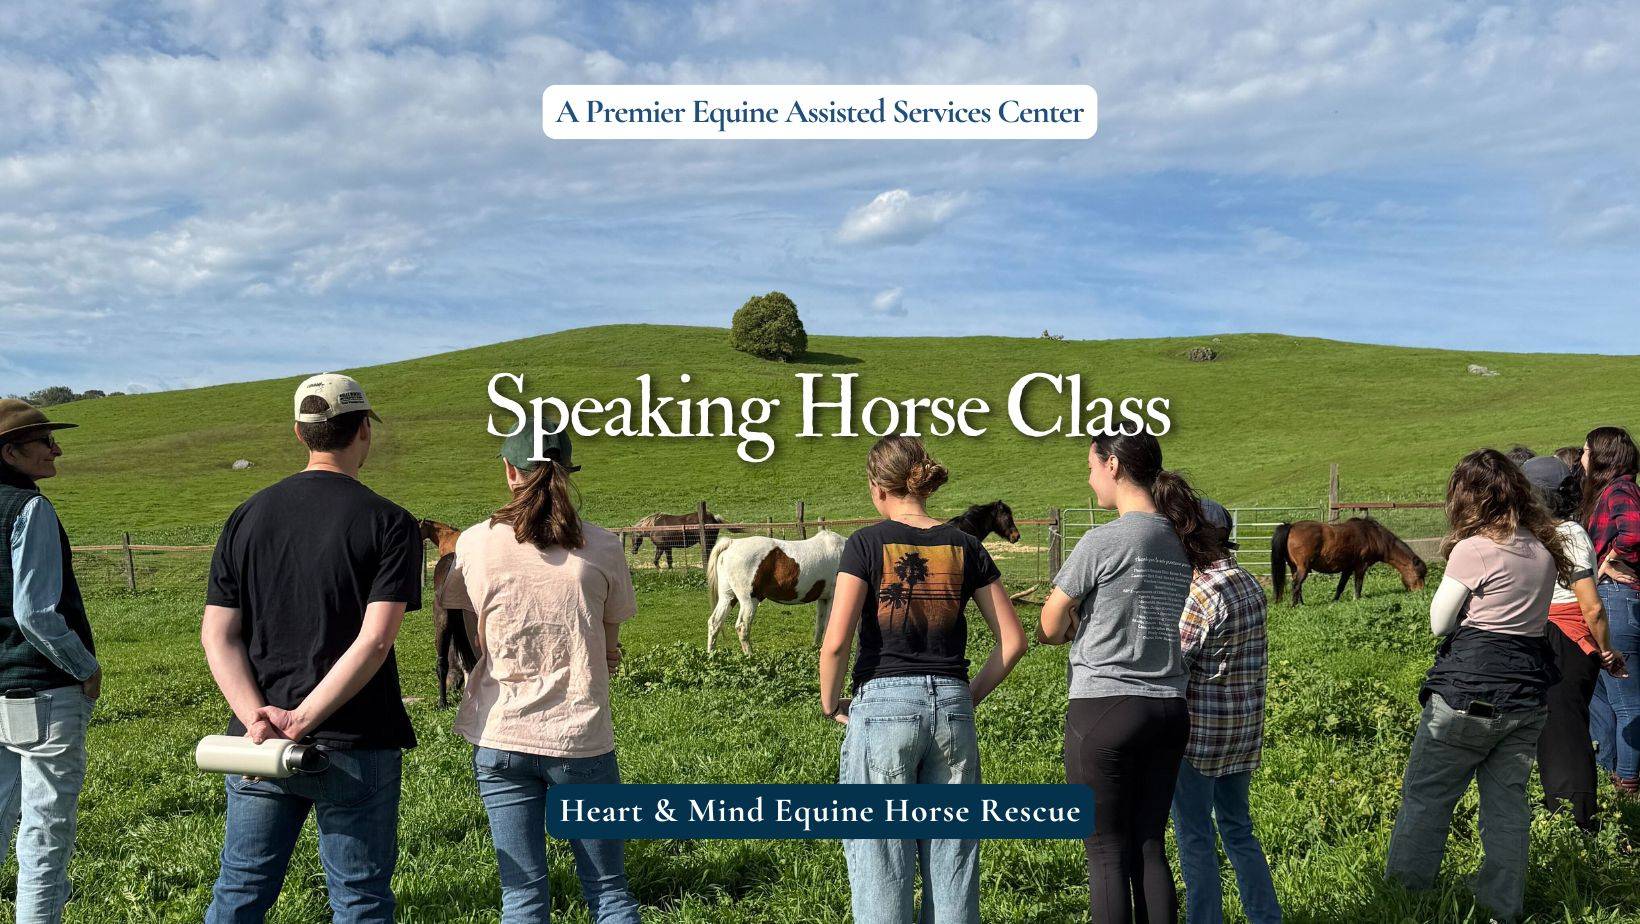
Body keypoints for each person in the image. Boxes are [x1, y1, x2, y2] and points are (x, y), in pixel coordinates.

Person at [201, 374, 422, 923]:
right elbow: (375, 640)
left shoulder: (247, 515)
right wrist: (300, 720)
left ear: (300, 433)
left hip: (257, 744)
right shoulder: (390, 522)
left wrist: (258, 720)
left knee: (241, 887)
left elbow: (218, 634)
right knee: (360, 897)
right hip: (356, 737)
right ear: (364, 429)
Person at [818, 435, 1027, 924]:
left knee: (881, 857)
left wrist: (830, 702)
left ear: (878, 487)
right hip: (952, 708)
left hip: (883, 706)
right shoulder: (966, 545)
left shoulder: (866, 543)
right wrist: (967, 696)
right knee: (953, 858)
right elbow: (1013, 641)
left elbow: (835, 642)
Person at [439, 426, 642, 923]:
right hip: (580, 738)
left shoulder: (473, 543)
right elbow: (609, 647)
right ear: (566, 472)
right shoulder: (603, 546)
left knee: (522, 896)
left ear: (510, 471)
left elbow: (477, 628)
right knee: (609, 892)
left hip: (501, 733)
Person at [1038, 432, 1220, 924]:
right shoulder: (1179, 540)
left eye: (1091, 466)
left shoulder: (1103, 540)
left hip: (1104, 707)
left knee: (1105, 851)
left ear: (1113, 466)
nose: (1089, 477)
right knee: (1149, 845)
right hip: (1168, 708)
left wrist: (1073, 625)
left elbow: (1049, 624)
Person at [1386, 448, 1570, 924]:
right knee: (1507, 806)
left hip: (1469, 692)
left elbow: (1438, 622)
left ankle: (1406, 895)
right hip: (1527, 695)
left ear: (1466, 497)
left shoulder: (1475, 548)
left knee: (1428, 796)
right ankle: (1501, 905)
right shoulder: (1542, 550)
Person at [0, 400, 100, 923]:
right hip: (41, 690)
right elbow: (35, 613)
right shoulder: (28, 507)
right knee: (45, 829)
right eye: (44, 441)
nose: (56, 449)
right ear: (11, 453)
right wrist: (84, 666)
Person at [1169, 499, 1281, 924]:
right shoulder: (1249, 583)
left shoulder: (1201, 594)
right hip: (1243, 730)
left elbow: (1175, 663)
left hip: (1198, 736)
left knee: (1195, 836)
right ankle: (1265, 917)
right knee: (1238, 828)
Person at [1522, 456, 1627, 830]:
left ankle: (1574, 819)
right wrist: (1606, 650)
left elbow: (1590, 605)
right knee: (1561, 728)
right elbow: (1592, 608)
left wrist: (1604, 648)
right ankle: (1569, 813)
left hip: (1553, 635)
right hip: (1565, 635)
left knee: (1559, 729)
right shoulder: (1565, 532)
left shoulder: (1544, 534)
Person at [1579, 426, 1640, 797]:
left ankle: (1628, 784)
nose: (1581, 458)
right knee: (1601, 697)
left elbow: (1633, 533)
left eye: (1586, 451)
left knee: (1626, 699)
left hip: (1616, 600)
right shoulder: (1610, 491)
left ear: (1602, 456)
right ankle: (1608, 772)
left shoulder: (1620, 489)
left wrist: (1611, 559)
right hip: (1610, 599)